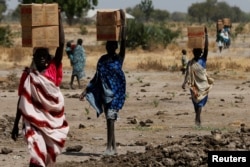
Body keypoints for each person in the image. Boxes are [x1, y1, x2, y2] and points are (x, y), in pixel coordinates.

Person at [11, 8, 69, 167]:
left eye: (45, 55)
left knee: (47, 156)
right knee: (37, 152)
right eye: (39, 55)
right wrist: (15, 124)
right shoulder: (28, 76)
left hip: (51, 122)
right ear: (34, 58)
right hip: (33, 122)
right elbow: (22, 101)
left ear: (49, 57)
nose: (42, 57)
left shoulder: (53, 67)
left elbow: (62, 43)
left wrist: (58, 18)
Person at [79, 9, 126, 156]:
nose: (110, 47)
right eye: (108, 45)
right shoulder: (102, 59)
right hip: (105, 93)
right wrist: (86, 90)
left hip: (116, 93)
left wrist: (124, 22)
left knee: (111, 117)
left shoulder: (119, 58)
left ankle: (108, 148)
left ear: (116, 48)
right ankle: (114, 148)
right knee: (108, 119)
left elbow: (124, 41)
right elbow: (96, 76)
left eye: (113, 45)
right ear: (106, 47)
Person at [182, 27, 214, 126]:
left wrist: (207, 35)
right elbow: (187, 73)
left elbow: (207, 48)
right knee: (196, 102)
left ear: (200, 52)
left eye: (198, 51)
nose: (197, 52)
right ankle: (198, 118)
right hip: (194, 85)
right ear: (193, 52)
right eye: (195, 51)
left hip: (202, 85)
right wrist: (184, 83)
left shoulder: (203, 59)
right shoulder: (191, 62)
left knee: (199, 102)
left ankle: (197, 117)